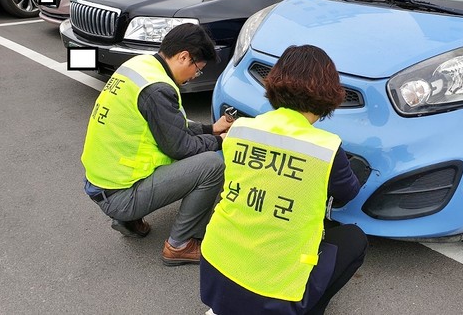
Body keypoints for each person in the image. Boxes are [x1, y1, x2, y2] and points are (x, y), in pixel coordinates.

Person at [200, 45, 368, 314]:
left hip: (214, 269)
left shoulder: (241, 129)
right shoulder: (326, 147)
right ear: (329, 93)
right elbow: (348, 192)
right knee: (354, 239)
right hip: (273, 293)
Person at [81, 23, 232, 266]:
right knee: (213, 165)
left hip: (101, 182)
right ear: (184, 56)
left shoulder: (139, 67)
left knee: (197, 151)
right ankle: (180, 245)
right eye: (198, 69)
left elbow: (170, 123)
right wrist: (219, 140)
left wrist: (210, 128)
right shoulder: (158, 89)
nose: (195, 76)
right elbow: (180, 147)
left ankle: (128, 220)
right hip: (119, 196)